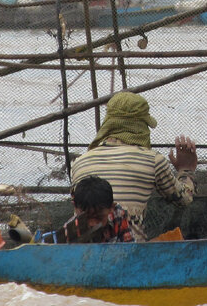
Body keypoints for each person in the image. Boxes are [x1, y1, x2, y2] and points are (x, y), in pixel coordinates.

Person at [70, 91, 196, 240]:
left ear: (108, 122)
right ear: (141, 126)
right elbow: (183, 199)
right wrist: (186, 169)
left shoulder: (79, 162)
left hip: (83, 249)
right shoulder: (153, 160)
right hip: (131, 250)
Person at [57, 176, 134, 244]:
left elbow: (129, 250)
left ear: (111, 207)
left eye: (99, 217)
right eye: (85, 217)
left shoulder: (119, 216)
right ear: (75, 207)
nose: (92, 224)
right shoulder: (69, 232)